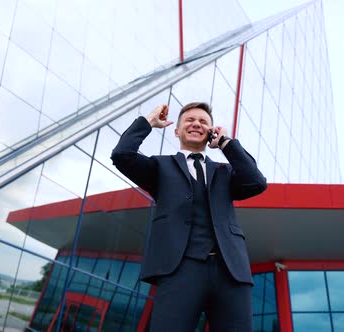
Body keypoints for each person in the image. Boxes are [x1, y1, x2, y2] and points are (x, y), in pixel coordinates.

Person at [111, 102, 267, 331]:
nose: (196, 123)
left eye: (203, 122)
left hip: (230, 272)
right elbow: (122, 155)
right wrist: (147, 123)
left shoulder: (225, 172)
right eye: (190, 120)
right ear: (176, 131)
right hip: (179, 270)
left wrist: (226, 143)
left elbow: (256, 182)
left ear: (211, 131)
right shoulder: (159, 167)